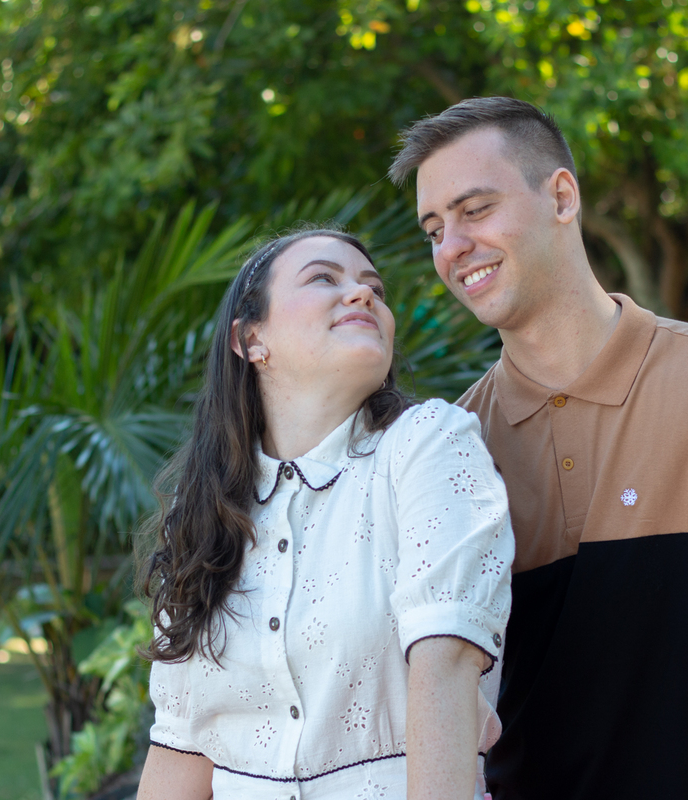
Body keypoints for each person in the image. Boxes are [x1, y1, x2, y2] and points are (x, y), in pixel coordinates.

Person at [389, 97, 688, 800]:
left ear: (563, 197)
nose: (450, 247)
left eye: (474, 209)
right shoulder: (452, 448)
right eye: (434, 228)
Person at [135, 228, 514, 800]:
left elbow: (449, 663)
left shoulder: (428, 444)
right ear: (250, 339)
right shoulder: (203, 515)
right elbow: (181, 747)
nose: (363, 295)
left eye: (373, 288)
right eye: (322, 278)